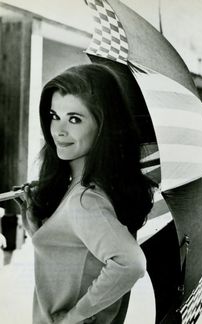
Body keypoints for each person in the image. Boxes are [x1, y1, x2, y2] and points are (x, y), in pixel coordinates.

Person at [15, 64, 154, 324]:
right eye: (54, 115)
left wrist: (73, 317)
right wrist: (37, 228)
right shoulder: (86, 189)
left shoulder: (86, 201)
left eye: (75, 119)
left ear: (103, 126)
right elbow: (78, 257)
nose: (58, 130)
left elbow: (131, 264)